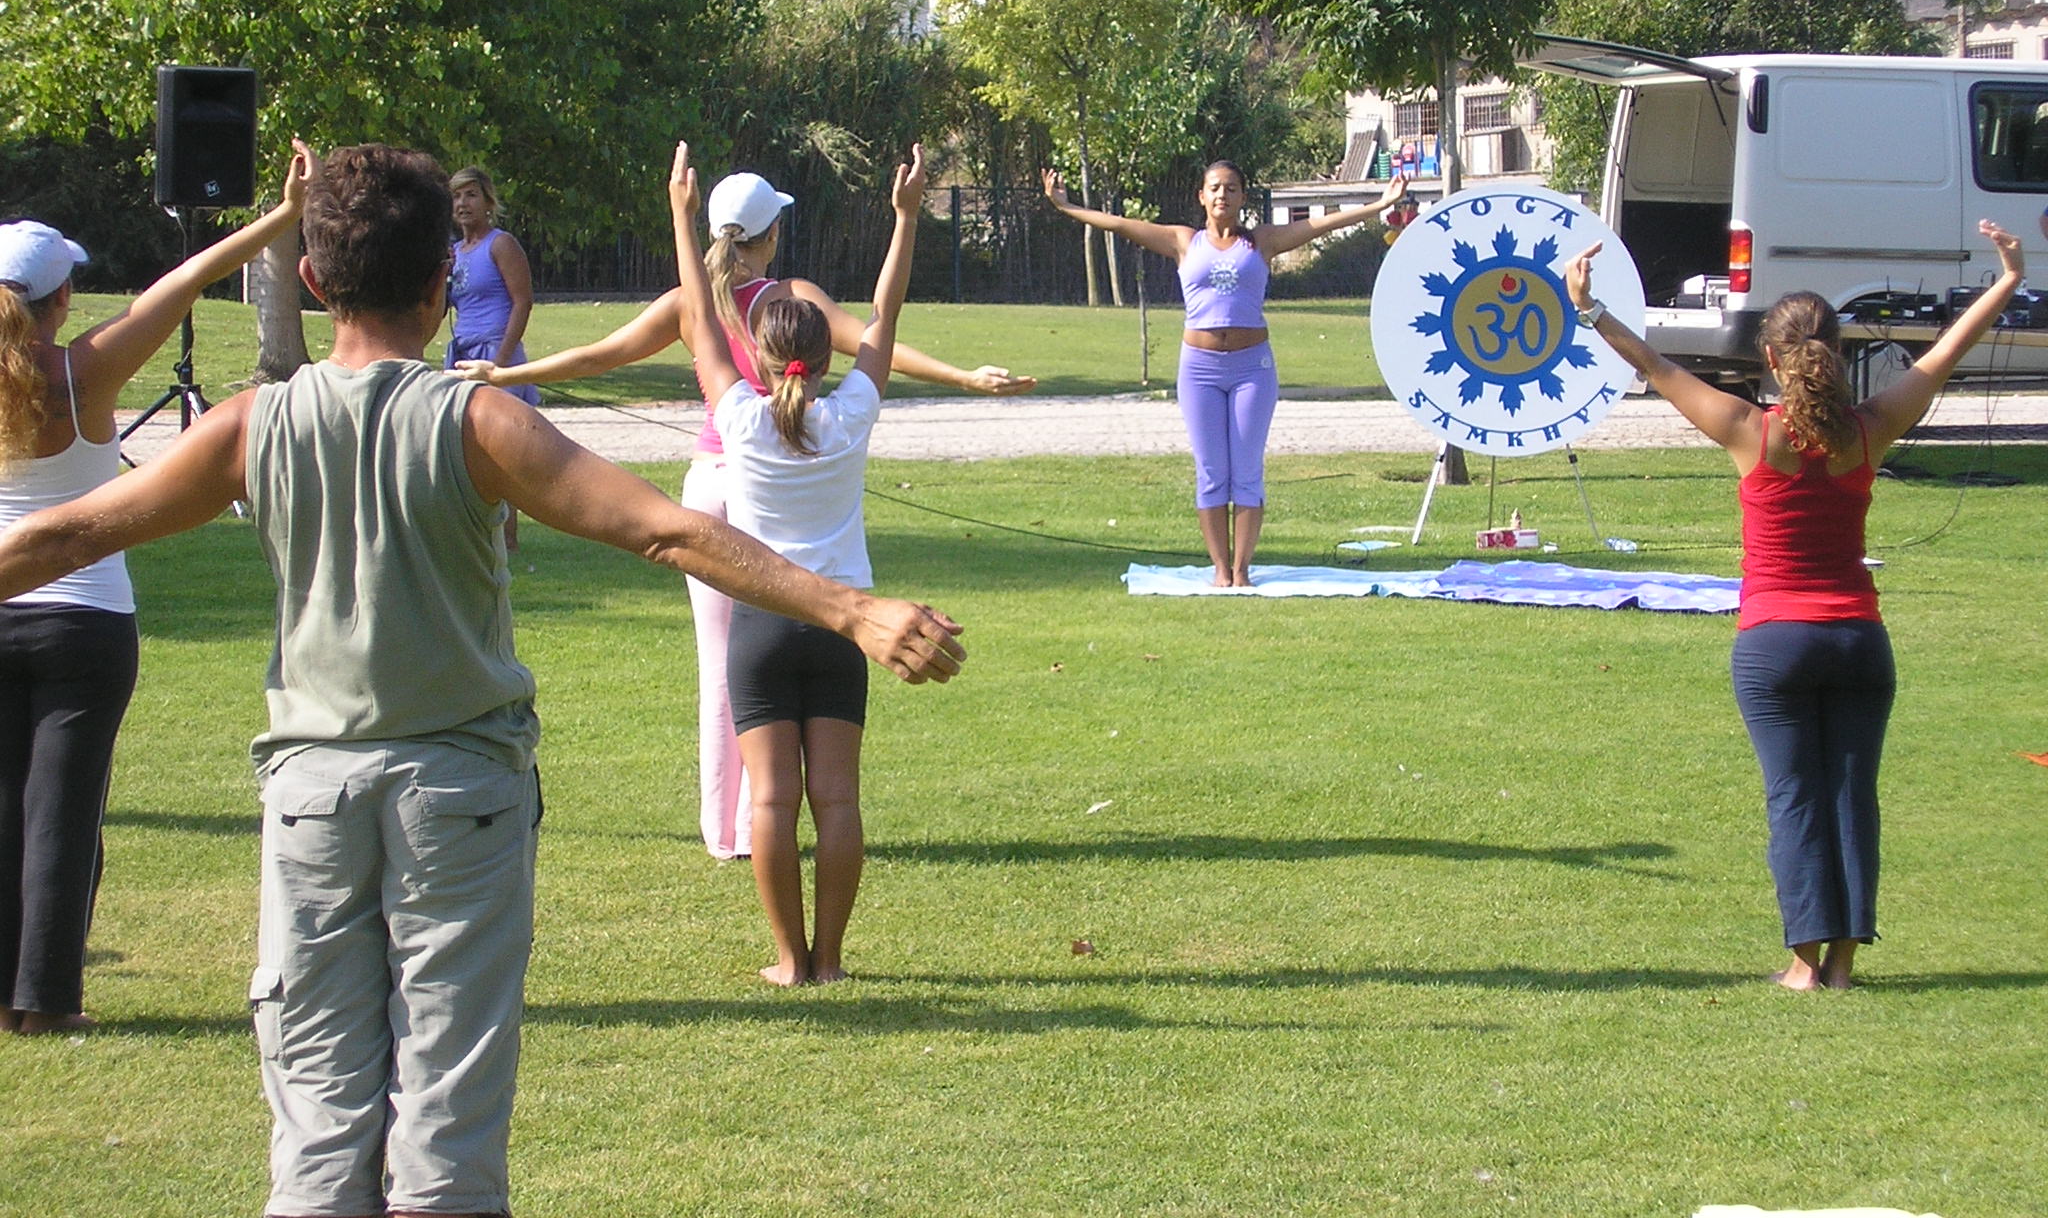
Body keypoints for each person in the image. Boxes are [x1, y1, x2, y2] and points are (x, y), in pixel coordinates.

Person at [0, 142, 963, 1214]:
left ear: (314, 286)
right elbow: (666, 531)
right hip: (458, 802)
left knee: (318, 1130)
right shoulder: (481, 424)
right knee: (445, 1136)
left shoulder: (248, 426)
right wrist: (850, 606)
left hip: (311, 806)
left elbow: (64, 537)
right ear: (436, 285)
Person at [454, 169, 1035, 861]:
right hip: (775, 486)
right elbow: (878, 335)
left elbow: (597, 356)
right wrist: (963, 375)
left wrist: (506, 376)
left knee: (724, 669)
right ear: (774, 233)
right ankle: (775, 821)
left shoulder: (690, 304)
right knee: (801, 646)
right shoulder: (795, 299)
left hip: (711, 488)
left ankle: (728, 832)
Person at [1565, 220, 2025, 991]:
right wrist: (2006, 280)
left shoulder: (1752, 430)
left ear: (1771, 359)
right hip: (1857, 639)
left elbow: (1655, 363)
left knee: (1794, 798)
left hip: (1775, 642)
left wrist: (1590, 309)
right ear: (1836, 356)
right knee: (1851, 795)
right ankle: (1843, 966)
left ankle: (1803, 966)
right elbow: (1943, 357)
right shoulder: (1870, 429)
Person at [0, 165, 308, 1037]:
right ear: (63, 299)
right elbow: (183, 283)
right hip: (82, 616)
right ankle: (48, 1002)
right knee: (65, 812)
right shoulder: (83, 370)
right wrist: (280, 218)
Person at [670, 141, 922, 986]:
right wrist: (905, 218)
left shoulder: (739, 418)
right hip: (844, 625)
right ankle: (834, 961)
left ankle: (789, 964)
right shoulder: (850, 415)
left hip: (765, 625)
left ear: (765, 357)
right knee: (839, 802)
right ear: (820, 356)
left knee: (770, 801)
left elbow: (703, 326)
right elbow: (884, 321)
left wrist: (680, 214)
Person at [1040, 161, 1408, 587]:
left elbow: (1323, 224)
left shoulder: (1263, 241)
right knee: (1212, 471)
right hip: (1198, 370)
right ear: (1202, 196)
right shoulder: (1183, 241)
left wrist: (1381, 204)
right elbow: (1121, 224)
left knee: (1247, 470)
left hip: (1253, 368)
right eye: (1214, 188)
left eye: (1231, 189)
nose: (1222, 196)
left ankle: (1242, 570)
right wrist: (1066, 206)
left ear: (1242, 197)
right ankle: (1219, 570)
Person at [445, 166, 536, 552]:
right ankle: (474, 536)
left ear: (487, 201)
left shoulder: (501, 245)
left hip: (496, 353)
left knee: (504, 450)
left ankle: (509, 539)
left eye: (470, 195)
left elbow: (523, 301)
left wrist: (500, 364)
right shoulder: (452, 254)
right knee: (462, 448)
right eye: (456, 197)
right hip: (462, 355)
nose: (463, 204)